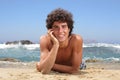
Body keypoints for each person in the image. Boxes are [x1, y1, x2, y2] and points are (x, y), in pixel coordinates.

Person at [36, 8, 83, 74]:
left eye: (63, 26)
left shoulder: (76, 40)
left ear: (69, 29)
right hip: (66, 67)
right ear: (50, 30)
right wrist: (55, 45)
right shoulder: (44, 40)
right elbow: (45, 71)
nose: (60, 31)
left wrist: (49, 65)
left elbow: (74, 70)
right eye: (56, 27)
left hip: (77, 64)